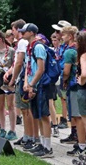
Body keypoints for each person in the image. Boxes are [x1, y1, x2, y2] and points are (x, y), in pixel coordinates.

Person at [23, 23, 54, 158]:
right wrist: (26, 83)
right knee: (38, 116)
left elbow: (40, 69)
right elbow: (28, 67)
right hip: (32, 84)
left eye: (24, 31)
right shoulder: (29, 47)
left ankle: (48, 147)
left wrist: (32, 84)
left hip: (40, 85)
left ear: (31, 32)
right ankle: (42, 143)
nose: (22, 33)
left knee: (44, 116)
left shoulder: (39, 47)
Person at [5, 19, 36, 150]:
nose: (12, 33)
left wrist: (13, 79)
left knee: (26, 110)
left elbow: (19, 62)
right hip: (21, 79)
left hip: (23, 79)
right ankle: (26, 135)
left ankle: (30, 136)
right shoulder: (21, 43)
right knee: (23, 110)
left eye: (13, 29)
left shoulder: (23, 42)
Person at [60, 25, 83, 150]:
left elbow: (66, 71)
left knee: (76, 115)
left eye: (63, 35)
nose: (61, 37)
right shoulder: (79, 48)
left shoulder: (69, 51)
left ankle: (80, 143)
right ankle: (79, 138)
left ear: (70, 36)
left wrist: (63, 80)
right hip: (81, 85)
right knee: (77, 114)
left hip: (73, 85)